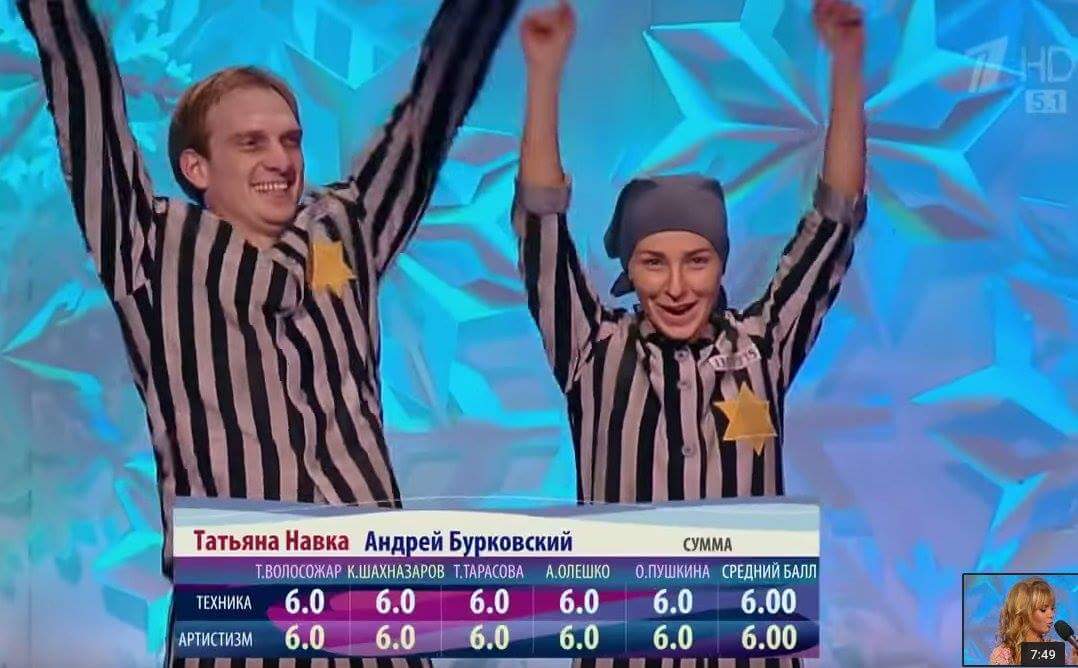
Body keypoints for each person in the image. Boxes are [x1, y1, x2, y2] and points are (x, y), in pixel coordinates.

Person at [18, 0, 519, 665]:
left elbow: (431, 111)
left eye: (290, 140)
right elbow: (82, 78)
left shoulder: (343, 232)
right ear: (197, 168)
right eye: (251, 142)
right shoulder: (150, 249)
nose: (281, 159)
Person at [514, 0, 866, 665]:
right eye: (654, 262)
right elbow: (540, 224)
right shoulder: (594, 353)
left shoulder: (762, 347)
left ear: (721, 263)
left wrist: (847, 68)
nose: (677, 286)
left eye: (696, 261)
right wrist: (543, 72)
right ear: (628, 268)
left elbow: (836, 221)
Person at [989, 577, 1077, 666]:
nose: (1051, 614)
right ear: (1024, 612)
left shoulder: (1053, 651)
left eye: (1052, 608)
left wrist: (1075, 663)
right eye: (1043, 610)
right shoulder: (1004, 654)